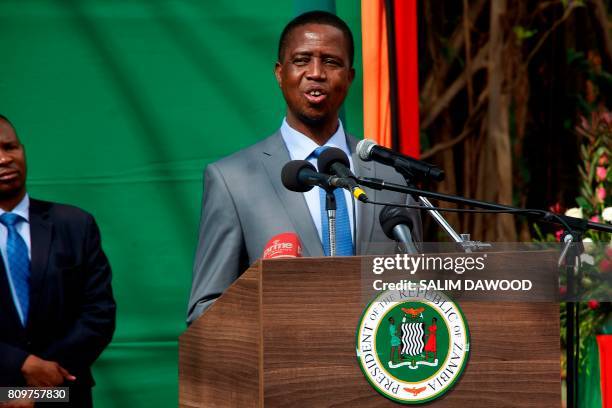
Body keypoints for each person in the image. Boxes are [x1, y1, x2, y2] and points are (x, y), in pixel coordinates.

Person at [187, 11, 422, 324]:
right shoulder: (233, 180)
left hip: (377, 365)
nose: (316, 73)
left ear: (350, 77)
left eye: (331, 62)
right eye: (302, 60)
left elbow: (421, 288)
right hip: (284, 366)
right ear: (280, 73)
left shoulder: (392, 175)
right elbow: (206, 308)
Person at [0, 115, 116, 408]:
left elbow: (98, 314)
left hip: (62, 392)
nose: (4, 159)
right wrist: (21, 364)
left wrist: (40, 388)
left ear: (23, 150)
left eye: (10, 147)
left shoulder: (74, 224)